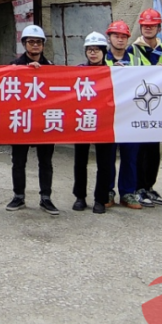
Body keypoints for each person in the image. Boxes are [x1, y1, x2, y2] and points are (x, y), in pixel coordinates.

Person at [6, 24, 59, 216]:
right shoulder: (13, 67)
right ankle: (18, 196)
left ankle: (46, 198)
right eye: (31, 42)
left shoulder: (52, 68)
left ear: (43, 45)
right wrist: (24, 70)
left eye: (38, 42)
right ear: (24, 44)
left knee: (46, 162)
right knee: (18, 162)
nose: (35, 45)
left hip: (45, 122)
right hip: (21, 121)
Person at [133, 8, 162, 208]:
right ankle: (138, 187)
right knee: (139, 151)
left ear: (159, 27)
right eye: (145, 25)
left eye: (152, 25)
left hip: (157, 105)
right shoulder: (132, 49)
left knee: (153, 150)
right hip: (138, 104)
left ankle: (149, 186)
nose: (148, 28)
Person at [72, 32, 115, 214]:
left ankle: (101, 199)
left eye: (97, 49)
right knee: (80, 161)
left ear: (104, 52)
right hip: (83, 121)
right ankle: (80, 197)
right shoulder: (77, 71)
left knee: (105, 163)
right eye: (90, 50)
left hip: (105, 123)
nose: (93, 53)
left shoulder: (114, 71)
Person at [105, 19, 144, 210]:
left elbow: (151, 76)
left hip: (130, 115)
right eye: (116, 36)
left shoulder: (137, 59)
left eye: (123, 37)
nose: (120, 40)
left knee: (130, 155)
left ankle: (128, 192)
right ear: (109, 38)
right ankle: (107, 190)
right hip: (108, 117)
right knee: (108, 156)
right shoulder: (101, 59)